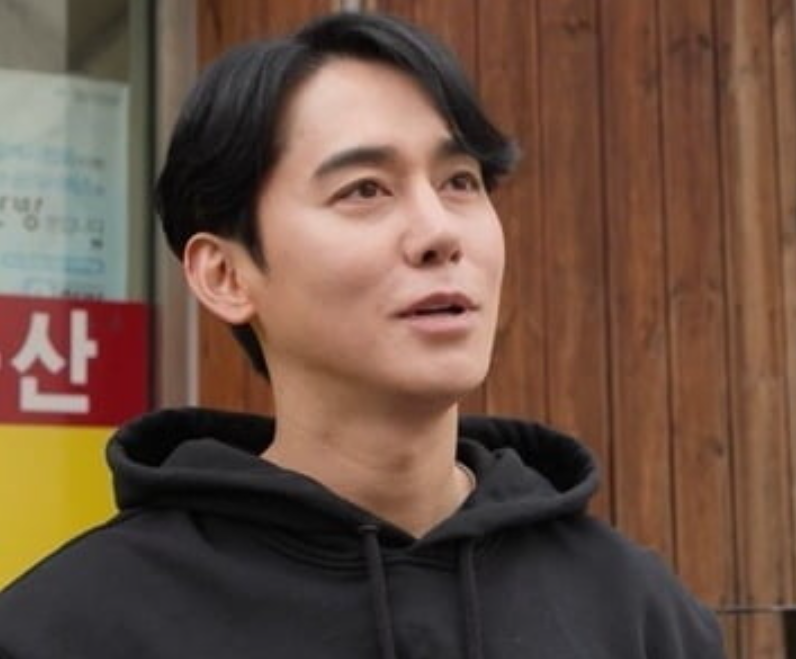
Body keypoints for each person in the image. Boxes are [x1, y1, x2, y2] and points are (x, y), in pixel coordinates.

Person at [0, 11, 725, 659]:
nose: (439, 232)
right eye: (365, 190)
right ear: (225, 274)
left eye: (460, 181)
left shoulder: (639, 614)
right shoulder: (69, 628)